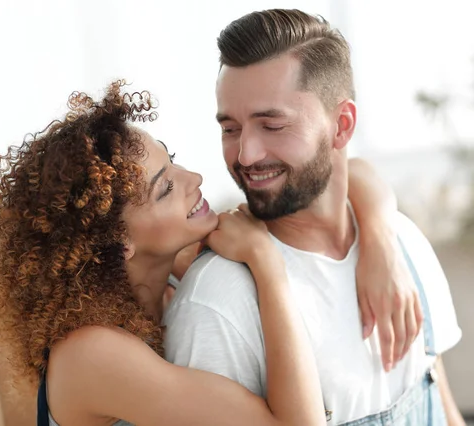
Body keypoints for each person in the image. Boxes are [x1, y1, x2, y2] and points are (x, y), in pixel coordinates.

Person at [0, 81, 422, 426]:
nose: (195, 179)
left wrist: (379, 240)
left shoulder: (163, 278)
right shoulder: (94, 351)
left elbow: (351, 172)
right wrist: (268, 267)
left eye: (173, 159)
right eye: (165, 188)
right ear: (118, 244)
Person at [164, 9, 465, 426]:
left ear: (341, 126)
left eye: (271, 125)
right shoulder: (217, 302)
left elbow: (443, 407)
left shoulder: (402, 244)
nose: (246, 156)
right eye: (230, 129)